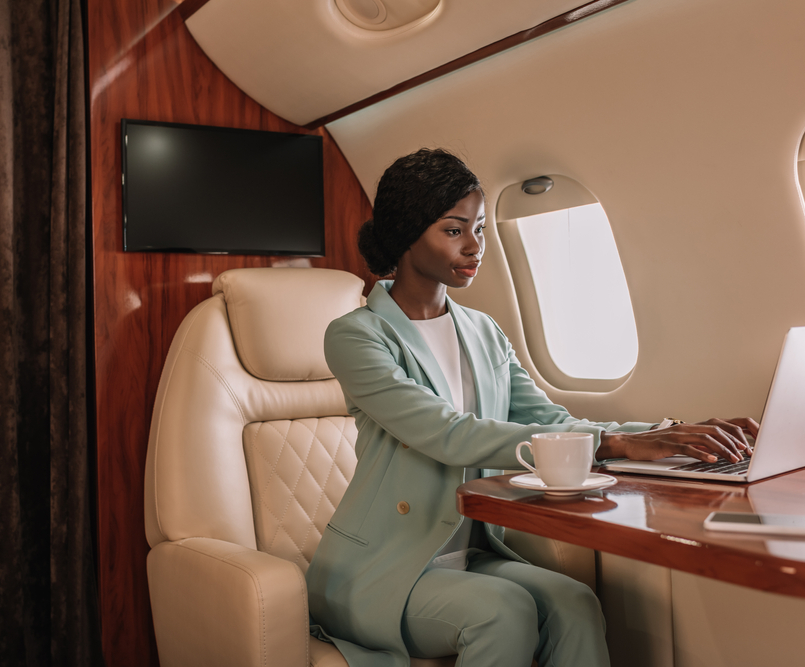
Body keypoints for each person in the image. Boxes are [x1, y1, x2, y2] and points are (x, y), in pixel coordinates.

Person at [304, 148, 759, 667]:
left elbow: (549, 423)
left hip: (466, 556)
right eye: (454, 231)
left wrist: (664, 433)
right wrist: (615, 443)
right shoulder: (356, 335)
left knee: (576, 601)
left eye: (479, 228)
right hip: (379, 568)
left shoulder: (483, 330)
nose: (475, 247)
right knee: (503, 611)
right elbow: (446, 432)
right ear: (407, 233)